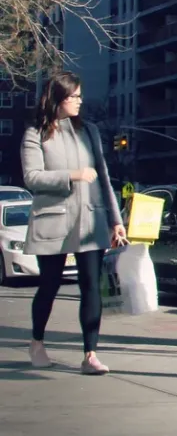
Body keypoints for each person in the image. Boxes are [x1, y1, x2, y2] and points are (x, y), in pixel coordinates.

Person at [20, 71, 128, 375]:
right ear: (57, 98)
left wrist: (115, 219)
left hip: (90, 219)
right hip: (53, 220)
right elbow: (32, 177)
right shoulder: (36, 133)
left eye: (80, 96)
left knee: (92, 286)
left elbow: (104, 178)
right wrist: (72, 175)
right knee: (50, 285)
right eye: (74, 96)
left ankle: (90, 354)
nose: (80, 101)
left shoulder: (90, 131)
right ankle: (37, 341)